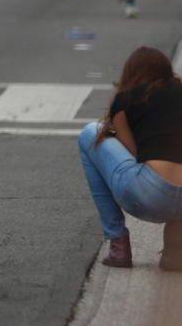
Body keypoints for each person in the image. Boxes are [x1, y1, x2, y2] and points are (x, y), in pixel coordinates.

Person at [78, 47, 182, 272]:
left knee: (90, 133)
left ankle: (118, 244)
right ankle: (175, 252)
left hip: (150, 196)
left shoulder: (126, 100)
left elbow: (133, 154)